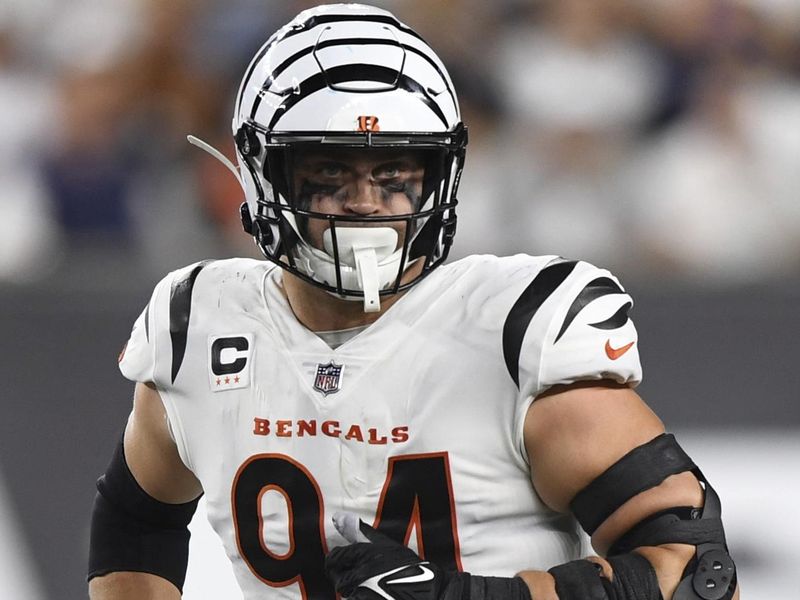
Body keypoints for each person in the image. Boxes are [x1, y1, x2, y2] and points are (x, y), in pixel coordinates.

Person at [87, 4, 738, 600]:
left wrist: (470, 597)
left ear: (440, 178)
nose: (366, 202)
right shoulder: (201, 323)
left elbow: (697, 576)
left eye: (396, 174)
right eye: (330, 172)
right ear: (263, 175)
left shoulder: (513, 332)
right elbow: (134, 521)